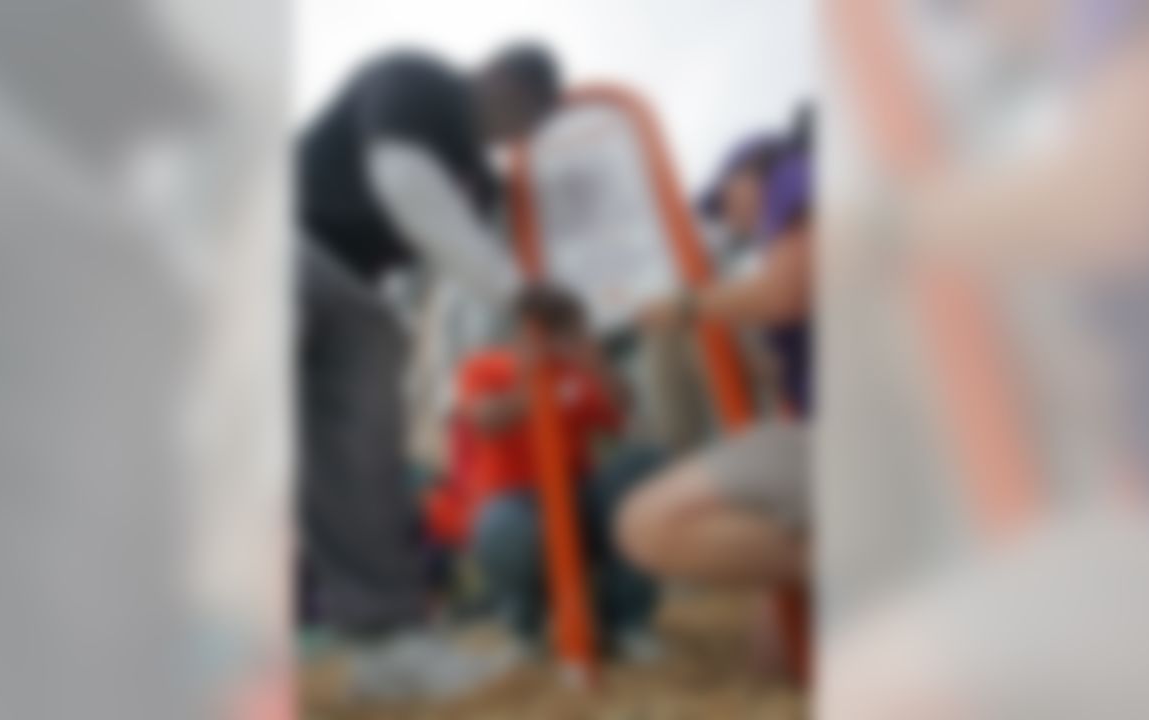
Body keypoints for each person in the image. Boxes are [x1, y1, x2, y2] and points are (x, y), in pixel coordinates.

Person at [296, 43, 562, 700]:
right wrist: (518, 291)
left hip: (361, 293)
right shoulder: (420, 79)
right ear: (495, 76)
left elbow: (484, 246)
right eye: (525, 114)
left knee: (364, 471)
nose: (520, 136)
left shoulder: (481, 174)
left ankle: (387, 647)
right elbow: (403, 178)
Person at [618, 109, 814, 586]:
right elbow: (780, 366)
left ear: (751, 170)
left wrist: (684, 305)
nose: (728, 220)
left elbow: (786, 292)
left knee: (651, 524)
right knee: (770, 647)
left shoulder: (794, 174)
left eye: (723, 201)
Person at [446, 285, 662, 660]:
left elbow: (624, 415)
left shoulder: (579, 370)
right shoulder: (487, 364)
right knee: (503, 531)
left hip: (579, 490)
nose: (561, 340)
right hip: (516, 497)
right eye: (554, 330)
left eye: (571, 329)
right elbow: (486, 420)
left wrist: (595, 364)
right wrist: (530, 376)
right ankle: (526, 629)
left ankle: (627, 623)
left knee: (643, 467)